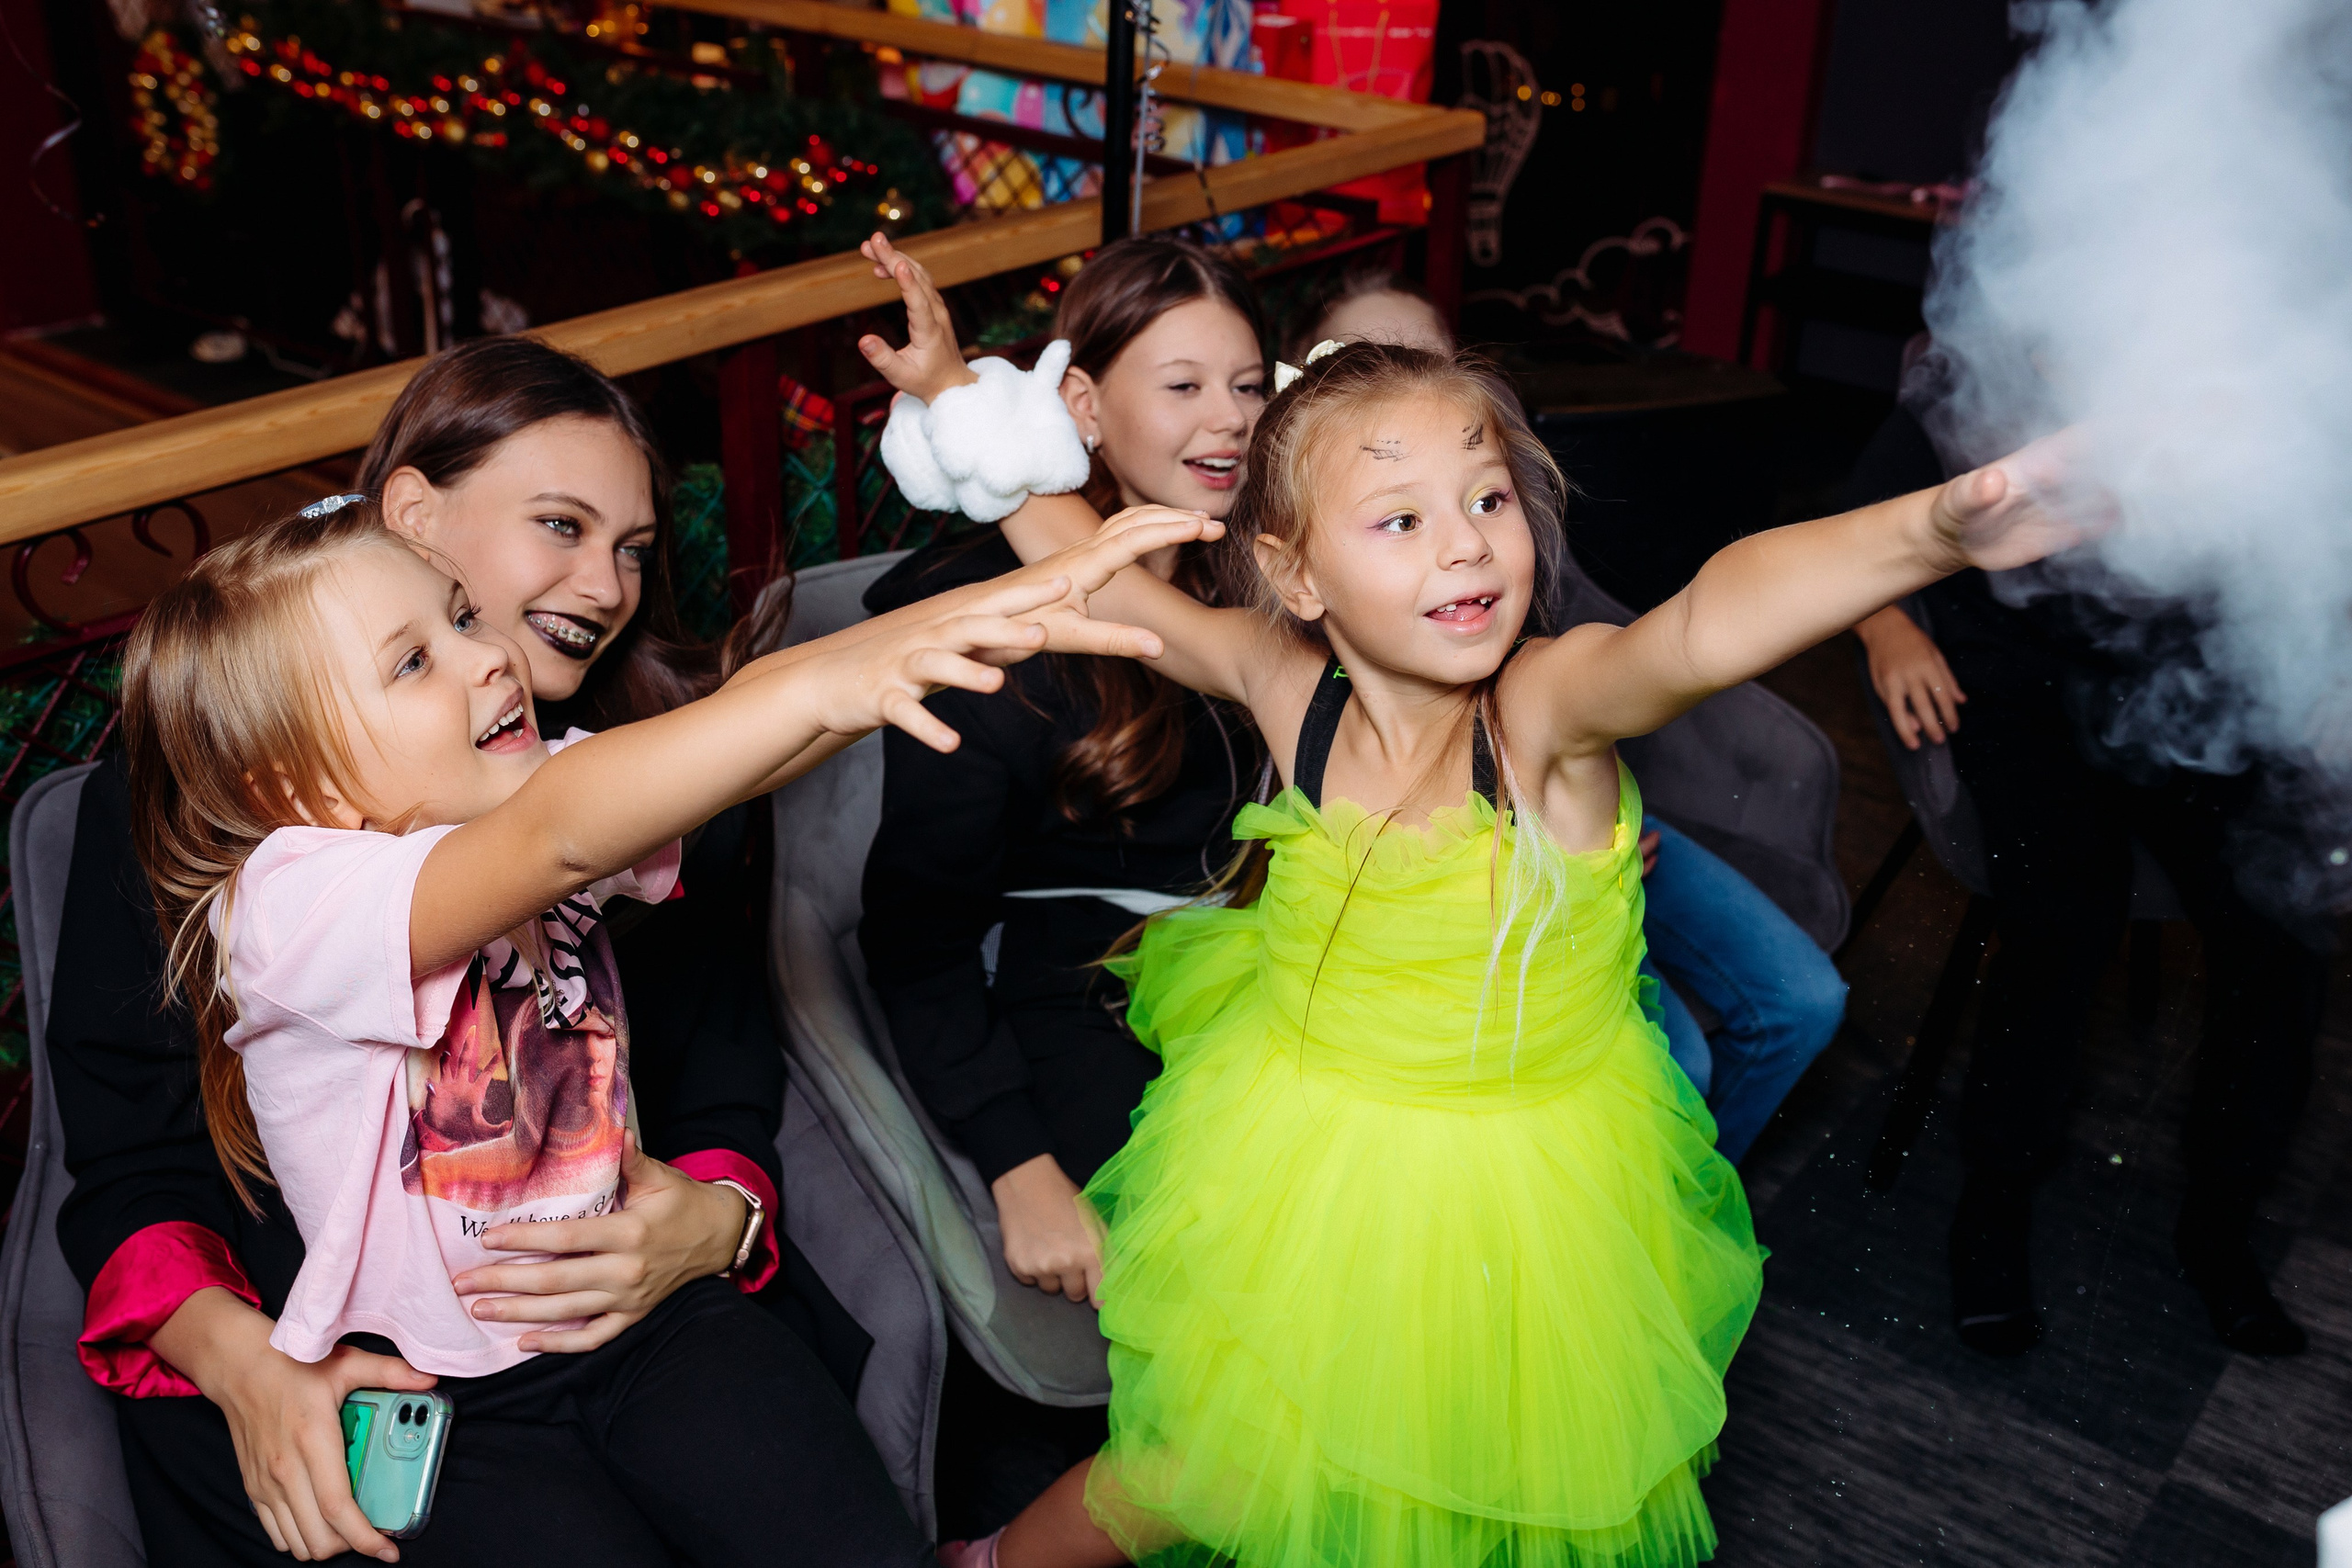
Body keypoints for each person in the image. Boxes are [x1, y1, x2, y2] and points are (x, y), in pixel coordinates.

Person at [866, 242, 2087, 1567]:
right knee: (1208, 1454)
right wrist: (952, 398)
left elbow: (1704, 623)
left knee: (1471, 1481)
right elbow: (1098, 574)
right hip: (1312, 1151)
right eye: (1399, 520)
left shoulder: (1543, 714)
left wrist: (1927, 532)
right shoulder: (1290, 688)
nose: (1464, 543)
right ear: (1296, 575)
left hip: (1514, 1195)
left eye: (1487, 497)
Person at [113, 488, 1193, 1567]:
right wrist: (838, 682)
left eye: (463, 616)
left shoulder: (524, 785)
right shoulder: (289, 901)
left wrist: (988, 611)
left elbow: (742, 732)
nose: (487, 657)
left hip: (645, 1317)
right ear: (295, 783)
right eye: (413, 662)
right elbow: (564, 835)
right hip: (454, 1395)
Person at [53, 339, 868, 1565]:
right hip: (343, 1350)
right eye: (562, 526)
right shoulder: (218, 804)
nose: (606, 586)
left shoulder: (654, 760)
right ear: (415, 520)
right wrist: (248, 1366)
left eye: (634, 548)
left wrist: (715, 1219)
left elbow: (723, 1066)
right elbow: (129, 1157)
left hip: (623, 1309)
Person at [1286, 272, 1848, 1164]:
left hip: (1598, 828)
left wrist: (1605, 831)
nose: (1399, 388)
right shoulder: (1307, 592)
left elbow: (1662, 645)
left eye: (1419, 360)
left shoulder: (1497, 518)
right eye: (1361, 363)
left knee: (1807, 999)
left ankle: (1680, 1207)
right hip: (1484, 892)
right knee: (1683, 1063)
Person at [1848, 403, 2328, 1359]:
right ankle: (1994, 1201)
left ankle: (2221, 1221)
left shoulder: (2196, 381)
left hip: (2179, 699)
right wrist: (1885, 624)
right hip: (2020, 698)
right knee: (2065, 922)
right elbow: (1851, 527)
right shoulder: (1960, 384)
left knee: (2283, 928)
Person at [854, 236, 1267, 1308]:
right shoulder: (987, 633)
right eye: (1183, 386)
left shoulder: (1274, 568)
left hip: (1279, 964)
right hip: (1092, 997)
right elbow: (916, 936)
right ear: (1083, 404)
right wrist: (1017, 1163)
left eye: (1248, 386)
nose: (1229, 418)